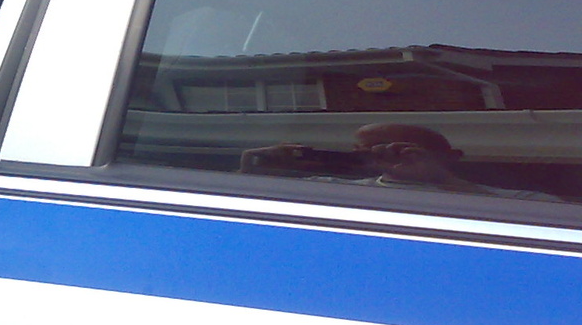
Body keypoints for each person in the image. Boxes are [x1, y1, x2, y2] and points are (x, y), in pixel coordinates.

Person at [240, 122, 565, 201]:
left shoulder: (522, 202)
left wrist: (445, 183)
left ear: (451, 157)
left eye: (400, 150)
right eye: (366, 150)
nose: (378, 157)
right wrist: (251, 175)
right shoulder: (328, 191)